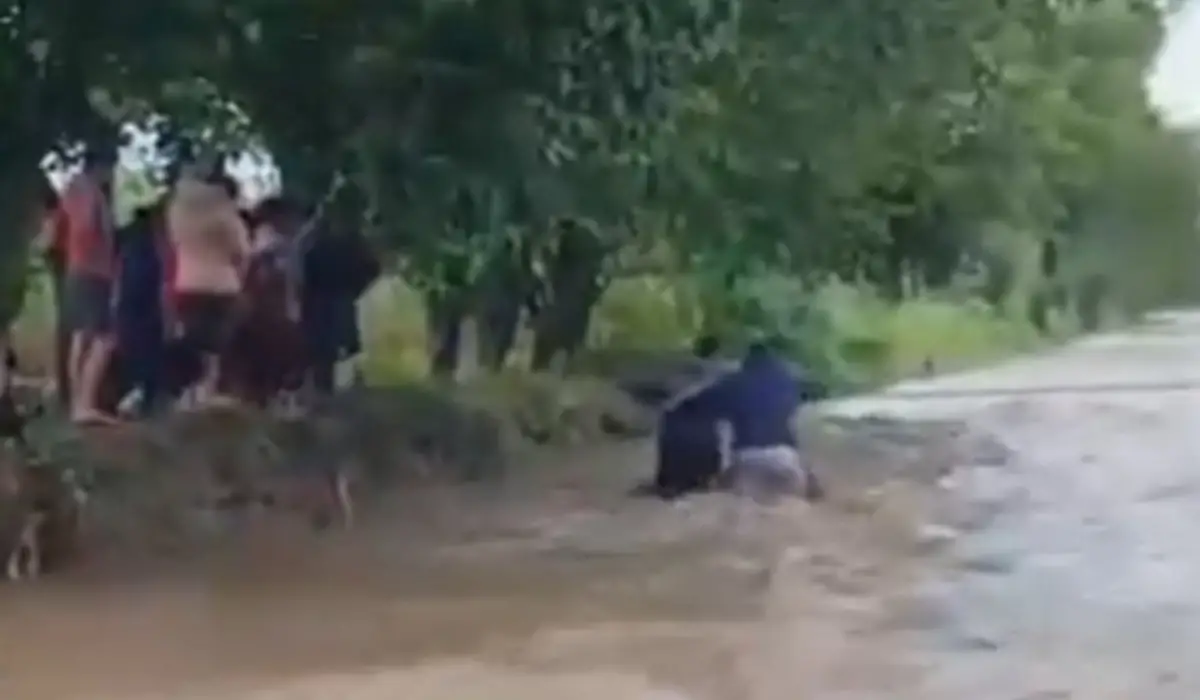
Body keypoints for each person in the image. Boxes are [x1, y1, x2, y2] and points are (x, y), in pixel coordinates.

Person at [165, 165, 250, 407]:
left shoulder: (178, 210)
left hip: (185, 283)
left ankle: (186, 392)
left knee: (192, 339)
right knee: (216, 345)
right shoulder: (224, 212)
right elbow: (242, 251)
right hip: (221, 285)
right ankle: (208, 390)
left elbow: (174, 243)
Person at [700, 340, 826, 501]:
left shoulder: (732, 383)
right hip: (785, 461)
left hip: (746, 462)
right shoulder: (789, 383)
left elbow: (706, 411)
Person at [59, 147, 119, 424]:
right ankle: (84, 403)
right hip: (92, 271)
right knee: (104, 337)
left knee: (82, 336)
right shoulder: (89, 189)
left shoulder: (73, 187)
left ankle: (77, 403)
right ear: (101, 165)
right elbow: (85, 227)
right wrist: (97, 253)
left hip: (77, 268)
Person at [301, 195, 379, 394]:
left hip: (325, 297)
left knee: (324, 346)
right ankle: (330, 386)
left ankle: (327, 386)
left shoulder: (317, 241)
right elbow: (372, 268)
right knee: (332, 345)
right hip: (334, 296)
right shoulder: (351, 240)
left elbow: (304, 268)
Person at [113, 201, 168, 416]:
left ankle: (132, 394)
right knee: (148, 352)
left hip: (127, 306)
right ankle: (143, 397)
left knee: (132, 350)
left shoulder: (128, 244)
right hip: (147, 307)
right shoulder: (152, 249)